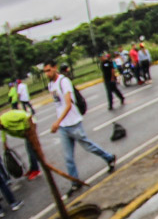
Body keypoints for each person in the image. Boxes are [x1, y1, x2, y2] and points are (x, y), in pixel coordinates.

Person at [43, 60, 116, 197]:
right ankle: (74, 181)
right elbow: (58, 105)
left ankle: (109, 157)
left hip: (73, 122)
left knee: (88, 146)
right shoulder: (51, 85)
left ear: (55, 68)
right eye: (45, 71)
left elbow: (68, 104)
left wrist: (57, 122)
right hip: (64, 127)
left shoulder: (63, 82)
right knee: (68, 157)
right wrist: (60, 123)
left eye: (49, 70)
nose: (47, 74)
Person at [1, 108, 42, 181]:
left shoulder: (7, 118)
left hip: (31, 125)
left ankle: (36, 170)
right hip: (26, 132)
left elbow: (26, 116)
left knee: (32, 150)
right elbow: (3, 131)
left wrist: (29, 130)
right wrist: (5, 143)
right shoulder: (2, 126)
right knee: (31, 150)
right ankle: (33, 168)